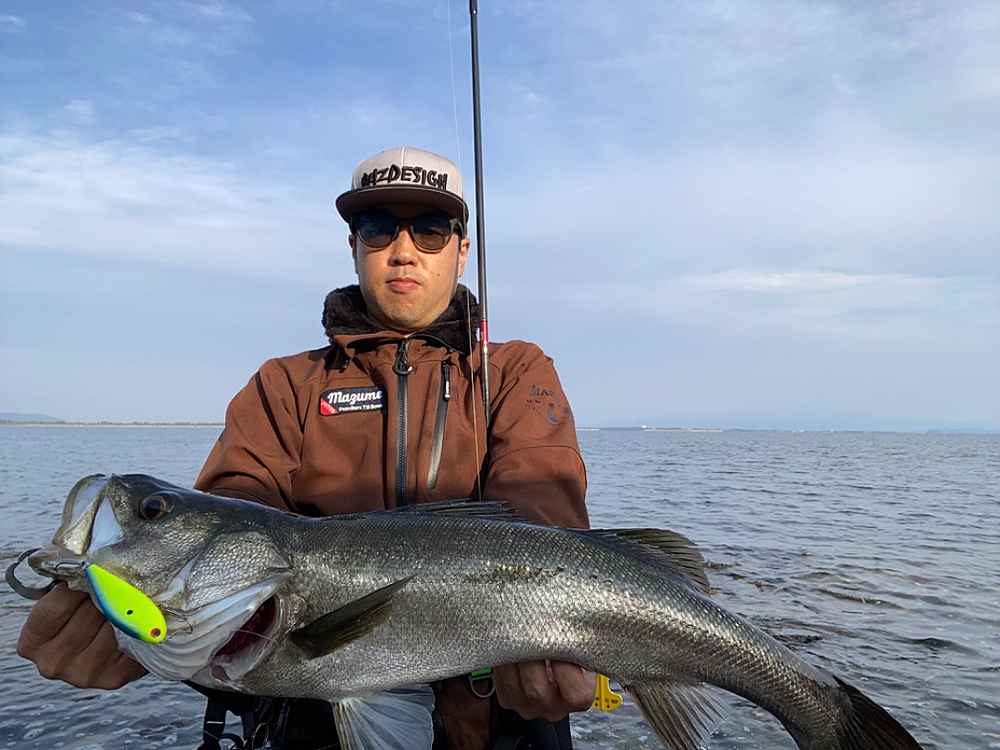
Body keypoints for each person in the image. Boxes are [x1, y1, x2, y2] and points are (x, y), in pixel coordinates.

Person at [16, 146, 593, 750]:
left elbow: (542, 512)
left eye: (429, 230)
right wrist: (144, 635)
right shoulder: (284, 385)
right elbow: (235, 510)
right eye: (377, 227)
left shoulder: (514, 370)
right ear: (353, 245)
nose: (402, 250)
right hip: (308, 725)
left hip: (504, 725)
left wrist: (549, 639)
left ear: (462, 250)